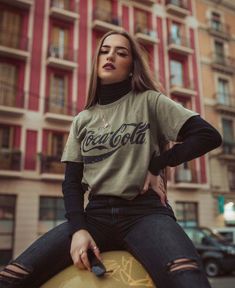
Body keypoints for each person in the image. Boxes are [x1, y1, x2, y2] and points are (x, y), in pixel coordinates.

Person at [0, 30, 222, 288]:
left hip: (145, 213)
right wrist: (79, 229)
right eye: (105, 51)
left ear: (131, 67)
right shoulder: (83, 120)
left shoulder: (149, 101)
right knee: (12, 277)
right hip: (95, 216)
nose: (110, 56)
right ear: (96, 62)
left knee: (188, 278)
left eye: (121, 52)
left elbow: (207, 135)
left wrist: (157, 164)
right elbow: (71, 183)